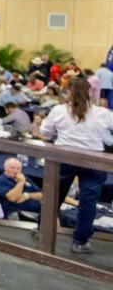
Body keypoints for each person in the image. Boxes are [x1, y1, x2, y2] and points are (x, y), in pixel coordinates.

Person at [37, 76, 113, 255]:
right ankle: (80, 241)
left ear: (68, 92)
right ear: (89, 92)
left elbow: (45, 132)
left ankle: (42, 229)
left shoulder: (58, 110)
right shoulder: (102, 113)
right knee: (88, 202)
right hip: (93, 161)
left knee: (54, 196)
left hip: (64, 158)